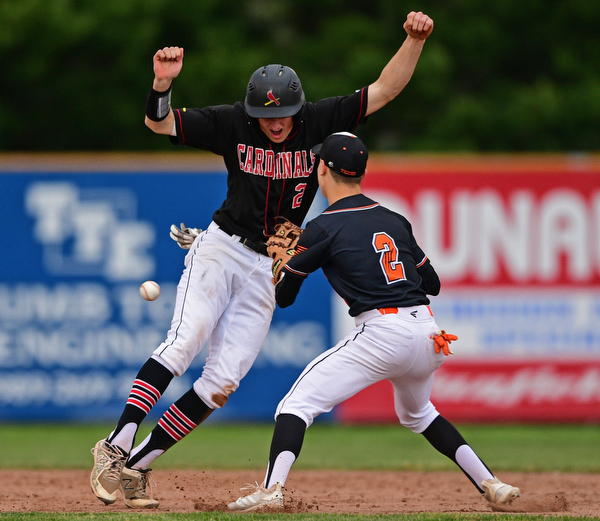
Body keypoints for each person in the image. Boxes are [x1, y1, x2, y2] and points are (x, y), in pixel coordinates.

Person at [90, 11, 435, 509]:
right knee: (185, 341)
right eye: (265, 115)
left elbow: (383, 89)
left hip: (265, 267)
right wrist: (161, 85)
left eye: (284, 113)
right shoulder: (234, 122)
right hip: (222, 248)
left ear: (299, 106)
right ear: (252, 109)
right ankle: (116, 444)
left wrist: (413, 41)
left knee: (222, 381)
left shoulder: (317, 120)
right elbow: (158, 122)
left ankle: (138, 467)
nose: (275, 122)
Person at [228, 132, 521, 512]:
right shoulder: (393, 218)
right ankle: (491, 483)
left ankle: (271, 492)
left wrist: (283, 264)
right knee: (420, 413)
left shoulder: (323, 227)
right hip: (429, 335)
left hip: (384, 333)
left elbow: (284, 297)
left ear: (323, 170)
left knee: (295, 405)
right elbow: (431, 283)